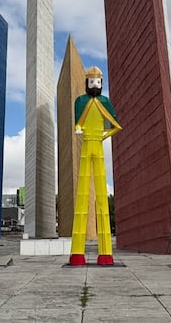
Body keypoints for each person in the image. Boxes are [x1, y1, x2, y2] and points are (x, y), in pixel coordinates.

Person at [68, 66, 122, 266]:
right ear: (86, 82)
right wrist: (80, 130)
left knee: (102, 197)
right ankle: (76, 254)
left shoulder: (105, 101)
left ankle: (106, 253)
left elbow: (115, 124)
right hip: (87, 146)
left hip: (97, 145)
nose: (95, 85)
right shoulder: (80, 101)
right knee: (81, 196)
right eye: (92, 81)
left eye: (97, 82)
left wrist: (104, 135)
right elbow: (77, 124)